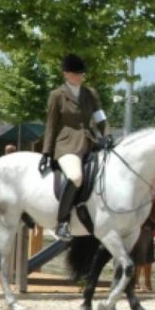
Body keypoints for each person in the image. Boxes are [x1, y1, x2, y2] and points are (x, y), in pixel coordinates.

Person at [41, 53, 108, 241]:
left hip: (90, 142)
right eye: (76, 74)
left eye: (82, 74)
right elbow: (51, 124)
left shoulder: (90, 93)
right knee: (75, 176)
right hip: (66, 144)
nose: (80, 77)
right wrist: (47, 151)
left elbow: (100, 117)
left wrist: (108, 135)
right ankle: (62, 222)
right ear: (66, 74)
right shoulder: (57, 96)